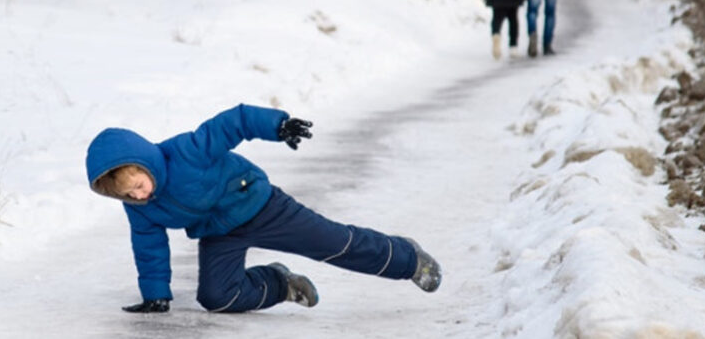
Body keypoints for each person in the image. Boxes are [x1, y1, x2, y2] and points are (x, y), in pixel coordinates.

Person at [84, 104, 442, 313]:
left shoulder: (185, 152)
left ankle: (407, 259)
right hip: (218, 231)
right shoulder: (140, 209)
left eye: (138, 184)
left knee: (334, 244)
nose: (139, 195)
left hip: (261, 206)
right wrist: (156, 296)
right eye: (128, 194)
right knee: (216, 298)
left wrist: (278, 125)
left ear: (144, 163)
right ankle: (280, 283)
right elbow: (149, 249)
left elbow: (233, 122)